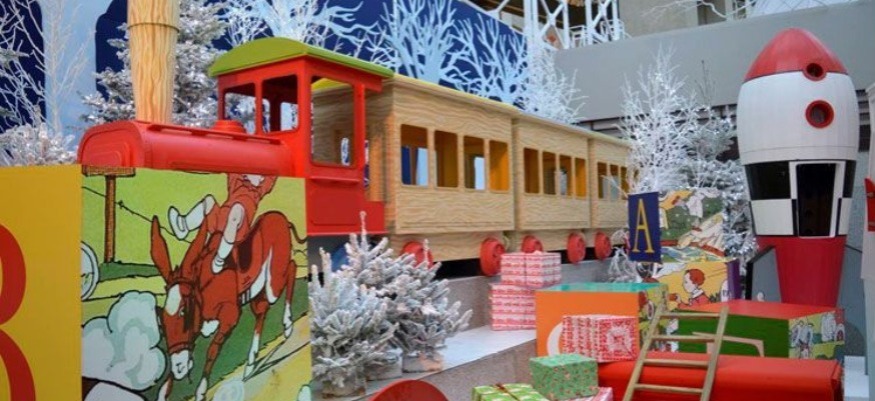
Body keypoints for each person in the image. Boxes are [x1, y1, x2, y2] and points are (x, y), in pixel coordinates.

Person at [168, 174, 277, 273]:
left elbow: (272, 174)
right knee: (209, 201)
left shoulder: (258, 191)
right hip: (220, 220)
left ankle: (219, 260)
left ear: (262, 178)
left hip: (238, 228)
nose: (247, 174)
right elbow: (233, 167)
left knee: (237, 209)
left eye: (253, 173)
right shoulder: (237, 182)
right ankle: (184, 226)